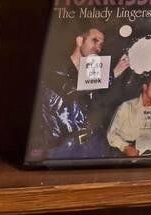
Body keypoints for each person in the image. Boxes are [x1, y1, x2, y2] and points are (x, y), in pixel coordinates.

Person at [39, 28, 130, 158]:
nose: (98, 47)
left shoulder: (93, 75)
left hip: (92, 142)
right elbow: (71, 90)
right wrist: (112, 75)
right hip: (62, 147)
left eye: (100, 44)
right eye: (94, 41)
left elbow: (101, 104)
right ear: (79, 41)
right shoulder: (55, 68)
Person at [107, 76, 151, 157]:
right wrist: (125, 147)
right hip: (121, 156)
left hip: (147, 158)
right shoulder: (126, 106)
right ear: (145, 87)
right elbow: (111, 134)